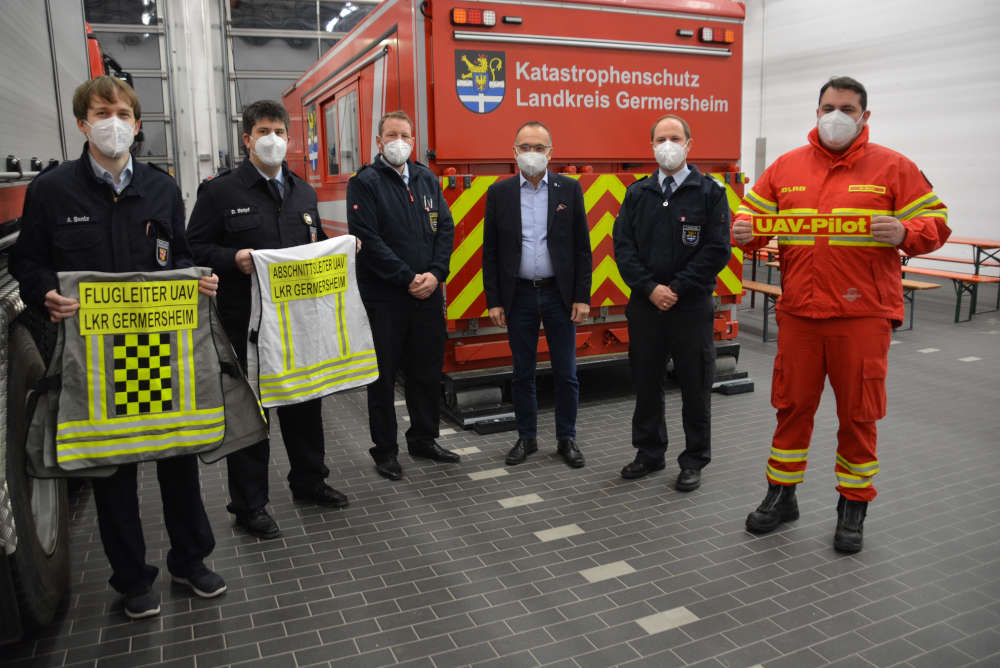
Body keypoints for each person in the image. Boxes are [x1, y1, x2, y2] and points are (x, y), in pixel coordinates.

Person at [11, 76, 225, 619]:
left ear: (136, 122)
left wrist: (194, 278)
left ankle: (191, 560)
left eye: (125, 113)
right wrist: (45, 295)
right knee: (112, 466)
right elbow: (27, 263)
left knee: (178, 456)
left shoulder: (160, 187)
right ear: (83, 122)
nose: (115, 122)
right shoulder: (53, 190)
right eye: (103, 112)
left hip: (162, 349)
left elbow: (177, 254)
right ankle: (132, 580)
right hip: (93, 358)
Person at [732, 76, 949, 553]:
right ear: (816, 112)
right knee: (791, 409)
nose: (836, 115)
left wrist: (906, 231)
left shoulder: (893, 166)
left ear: (864, 116)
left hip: (862, 315)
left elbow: (936, 222)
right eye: (828, 106)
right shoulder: (786, 168)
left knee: (858, 415)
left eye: (847, 109)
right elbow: (749, 222)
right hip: (801, 314)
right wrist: (744, 231)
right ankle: (781, 495)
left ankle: (853, 507)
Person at [187, 100, 348, 540]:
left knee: (304, 403)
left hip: (298, 324)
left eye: (279, 130)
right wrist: (230, 259)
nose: (272, 138)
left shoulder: (303, 192)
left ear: (289, 139)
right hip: (245, 323)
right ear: (247, 139)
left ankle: (309, 481)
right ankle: (249, 505)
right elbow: (194, 249)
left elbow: (316, 243)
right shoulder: (220, 193)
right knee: (251, 414)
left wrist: (344, 253)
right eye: (263, 130)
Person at [612, 114, 732, 492]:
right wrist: (650, 288)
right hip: (646, 306)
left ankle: (694, 459)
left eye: (675, 137)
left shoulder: (710, 192)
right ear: (651, 146)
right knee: (646, 382)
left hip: (691, 306)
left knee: (695, 385)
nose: (668, 144)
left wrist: (675, 288)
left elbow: (717, 250)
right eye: (661, 138)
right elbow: (623, 248)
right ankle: (649, 453)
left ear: (689, 144)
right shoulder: (637, 194)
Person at [347, 110, 458, 481]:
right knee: (381, 378)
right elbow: (369, 241)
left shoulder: (427, 179)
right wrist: (407, 277)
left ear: (413, 141)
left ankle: (424, 439)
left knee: (426, 372)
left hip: (426, 295)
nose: (399, 142)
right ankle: (386, 451)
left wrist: (436, 274)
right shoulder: (364, 183)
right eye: (391, 135)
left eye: (405, 136)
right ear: (378, 142)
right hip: (386, 299)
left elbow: (445, 228)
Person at [482, 121, 592, 468]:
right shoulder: (499, 194)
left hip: (559, 295)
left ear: (551, 152)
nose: (532, 153)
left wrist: (581, 296)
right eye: (525, 146)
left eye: (539, 147)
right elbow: (491, 252)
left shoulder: (569, 190)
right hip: (519, 297)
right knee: (522, 372)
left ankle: (566, 438)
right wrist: (495, 300)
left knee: (566, 372)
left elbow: (581, 249)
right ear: (513, 152)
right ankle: (526, 438)